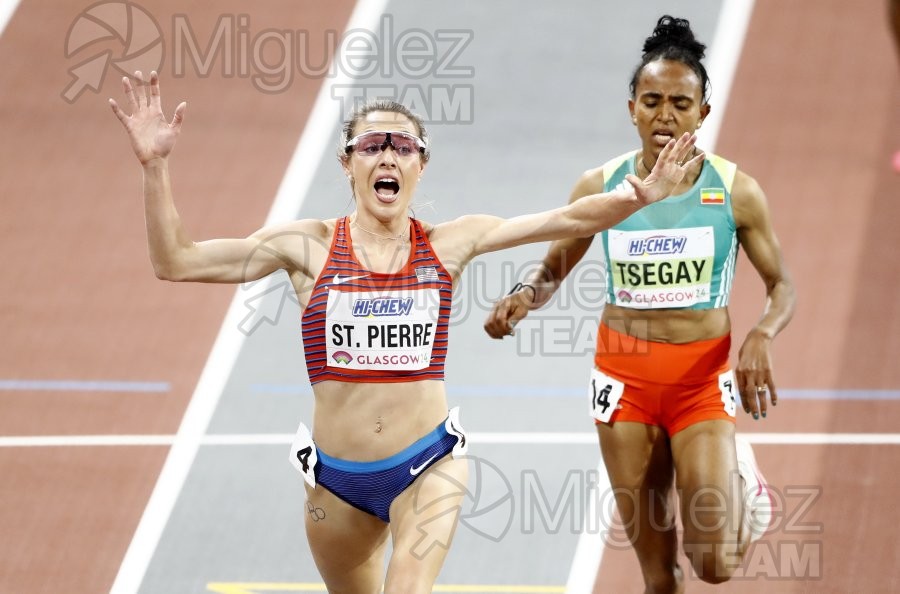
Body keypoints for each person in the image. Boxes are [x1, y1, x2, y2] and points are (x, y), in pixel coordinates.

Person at [109, 70, 701, 593]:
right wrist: (155, 167)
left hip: (430, 463)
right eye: (372, 145)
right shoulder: (305, 247)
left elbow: (566, 218)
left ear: (421, 164)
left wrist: (636, 195)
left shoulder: (450, 243)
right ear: (348, 164)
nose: (387, 156)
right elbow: (177, 261)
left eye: (403, 146)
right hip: (337, 483)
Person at [484, 15, 796, 591]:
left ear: (703, 112)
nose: (665, 114)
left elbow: (782, 287)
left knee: (715, 566)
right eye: (652, 100)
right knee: (658, 576)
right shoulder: (601, 185)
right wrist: (526, 296)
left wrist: (762, 333)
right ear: (632, 107)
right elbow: (557, 264)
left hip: (700, 383)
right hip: (623, 384)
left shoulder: (734, 190)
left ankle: (743, 482)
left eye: (681, 102)